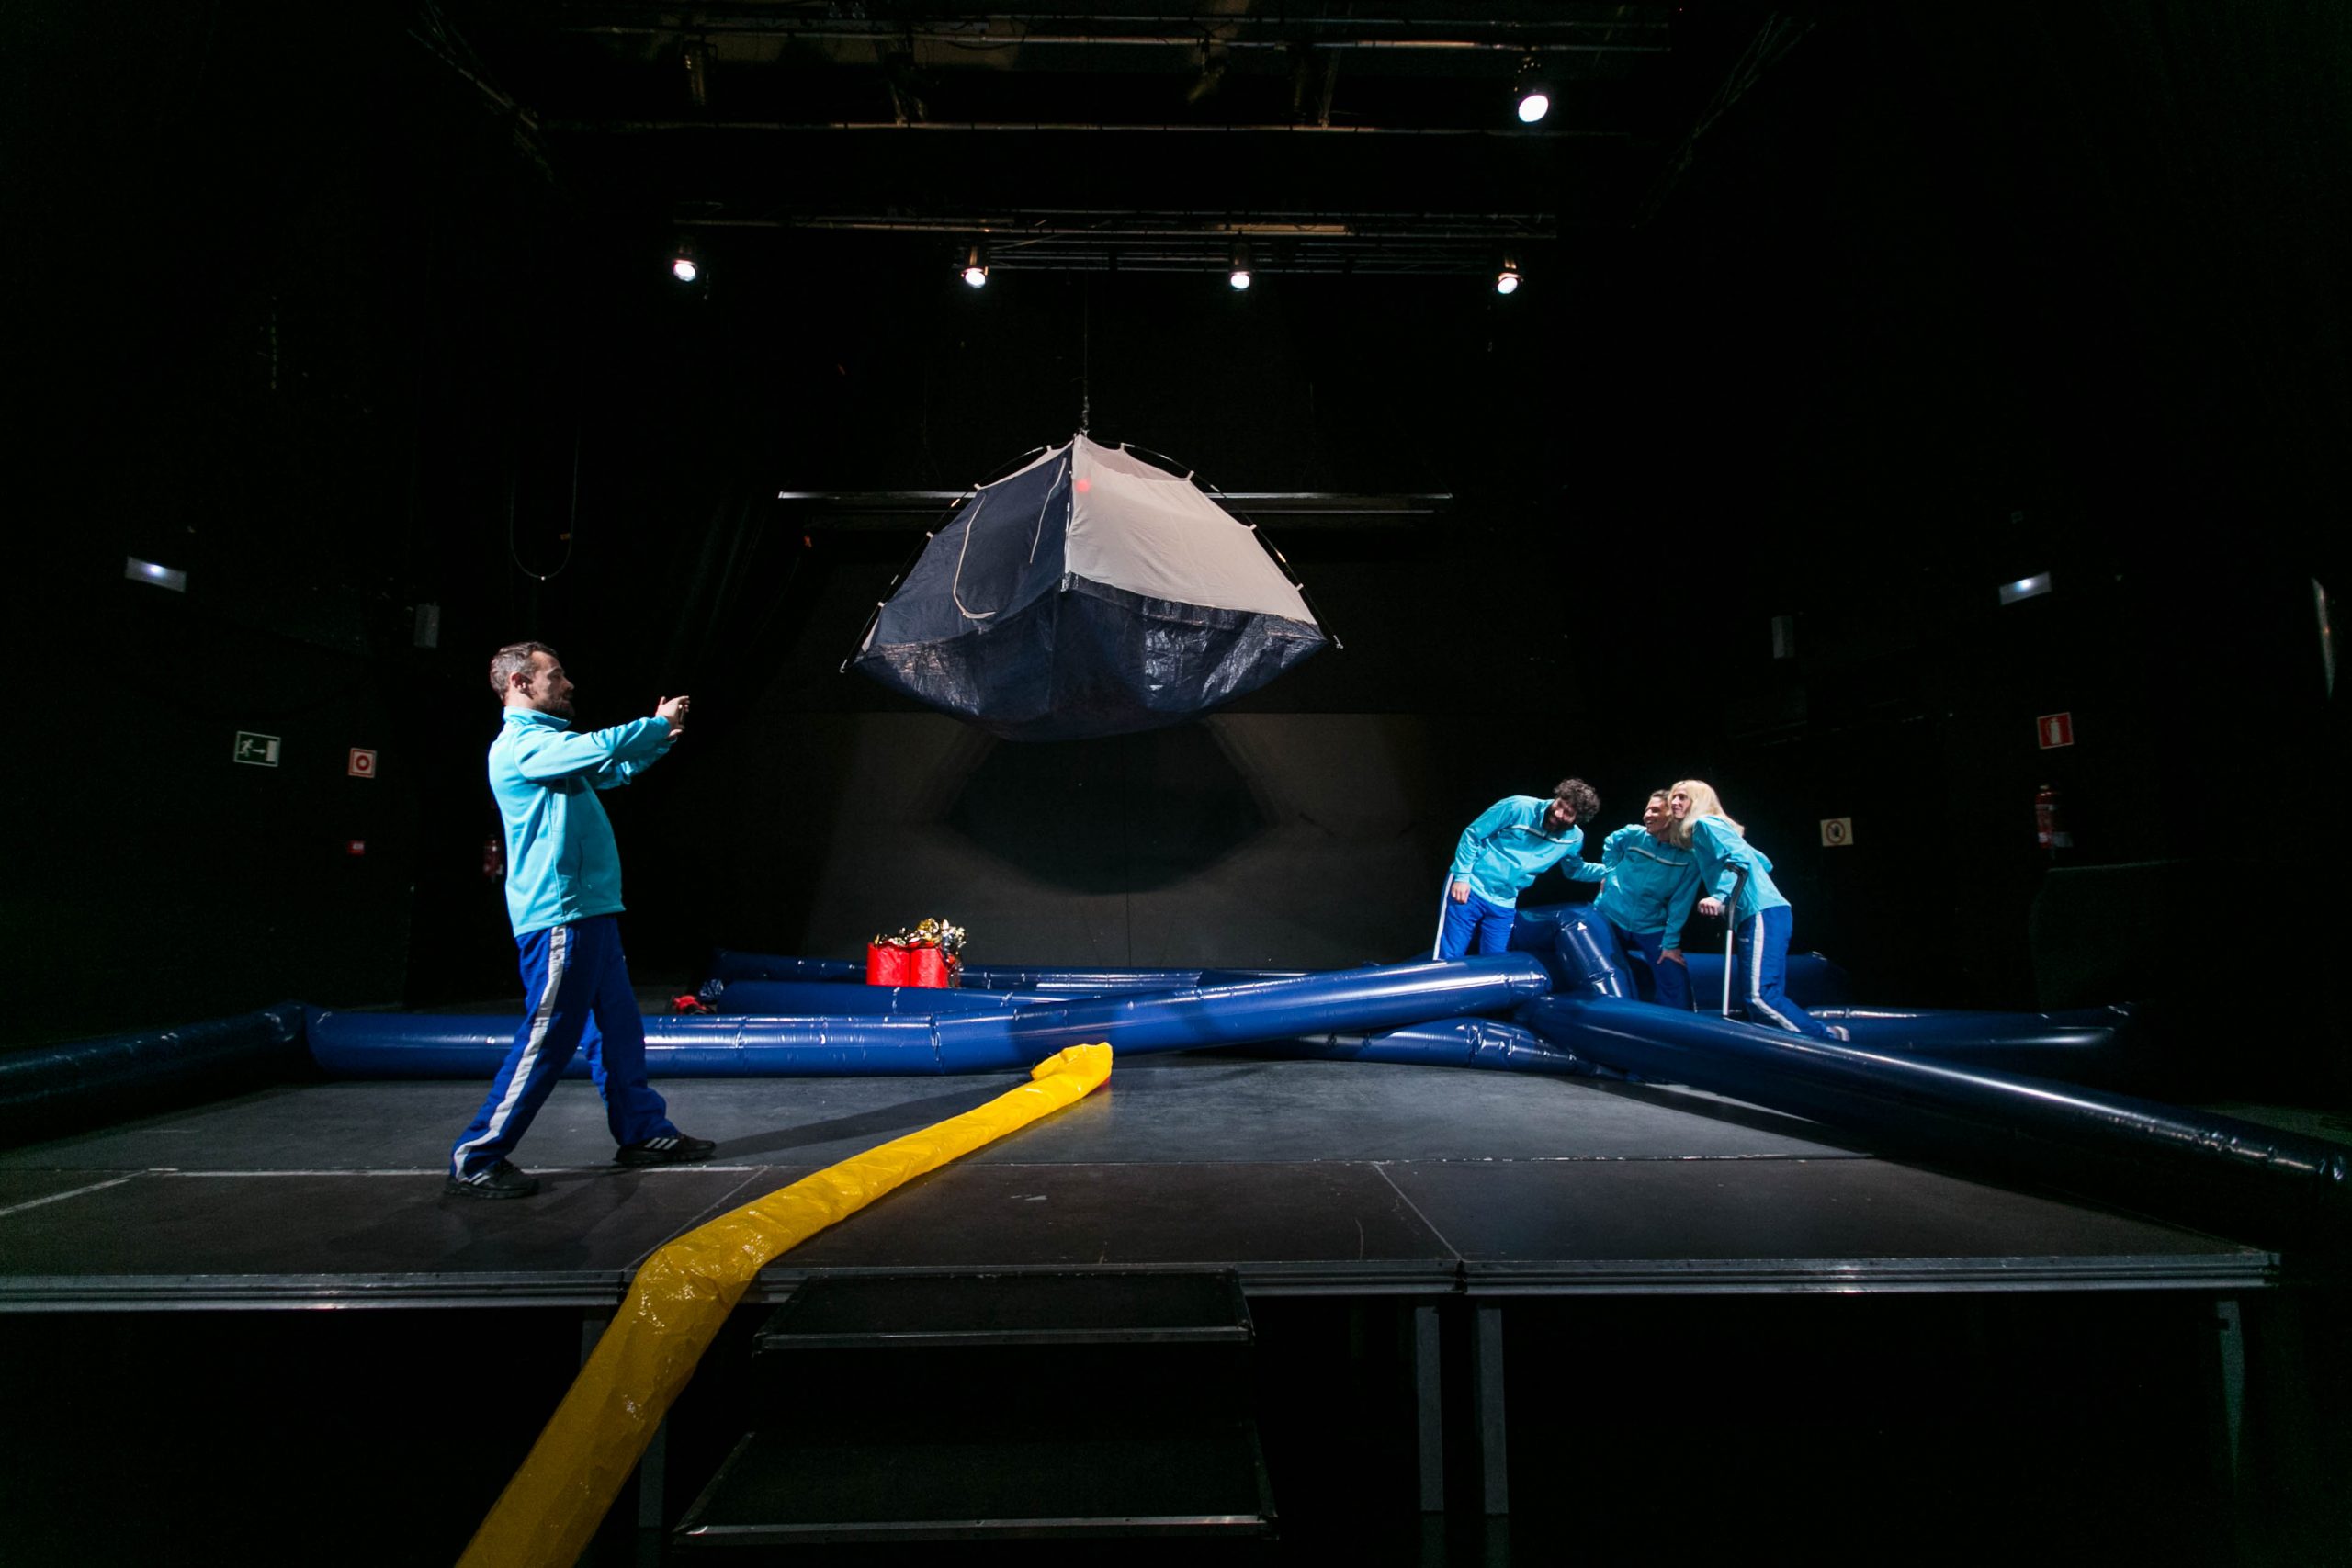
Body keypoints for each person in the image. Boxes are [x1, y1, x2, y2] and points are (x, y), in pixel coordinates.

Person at [446, 642, 717, 1199]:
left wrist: (656, 742)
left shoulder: (549, 748)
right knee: (547, 1039)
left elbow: (609, 771)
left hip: (590, 913)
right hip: (560, 917)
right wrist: (652, 723)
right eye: (556, 675)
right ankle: (478, 1153)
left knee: (618, 1030)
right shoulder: (521, 745)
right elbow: (596, 748)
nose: (568, 684)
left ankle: (643, 1131)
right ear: (521, 683)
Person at [1664, 779, 1838, 1039]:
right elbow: (1763, 862)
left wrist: (1721, 896)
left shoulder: (1705, 824)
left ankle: (1828, 1041)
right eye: (1673, 798)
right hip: (1763, 913)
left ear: (1698, 802)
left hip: (1761, 913)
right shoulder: (1714, 832)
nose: (1675, 803)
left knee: (1760, 997)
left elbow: (1740, 859)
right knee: (1759, 999)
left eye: (1682, 797)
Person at [1563, 790, 1701, 1010]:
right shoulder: (1633, 835)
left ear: (1672, 815)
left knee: (1674, 973)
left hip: (1649, 924)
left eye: (1655, 810)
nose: (1648, 815)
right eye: (1647, 809)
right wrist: (1610, 872)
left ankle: (1677, 1027)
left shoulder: (1688, 858)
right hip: (1610, 916)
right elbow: (1611, 843)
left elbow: (1681, 902)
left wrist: (1671, 943)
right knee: (1607, 965)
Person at [1437, 778, 1600, 960]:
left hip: (1504, 901)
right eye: (1559, 804)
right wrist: (1461, 876)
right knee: (1449, 956)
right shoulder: (1519, 807)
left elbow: (1575, 870)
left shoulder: (1574, 839)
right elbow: (1473, 835)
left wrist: (1612, 871)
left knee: (1497, 966)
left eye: (1568, 813)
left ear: (1578, 818)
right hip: (1471, 886)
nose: (1558, 813)